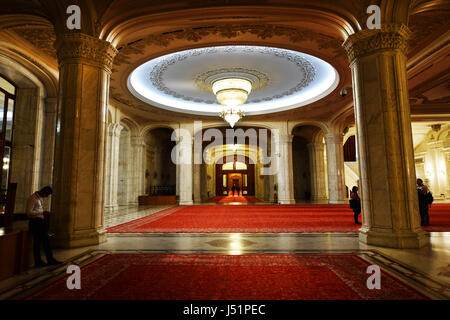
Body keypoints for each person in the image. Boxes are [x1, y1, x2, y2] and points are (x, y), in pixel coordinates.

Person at [26, 186, 62, 266]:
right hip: (35, 222)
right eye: (46, 195)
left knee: (46, 241)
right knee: (38, 242)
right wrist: (42, 213)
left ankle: (50, 259)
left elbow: (38, 210)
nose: (46, 197)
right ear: (43, 192)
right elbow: (28, 213)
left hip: (40, 222)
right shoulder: (33, 198)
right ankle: (38, 261)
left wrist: (42, 213)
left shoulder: (39, 198)